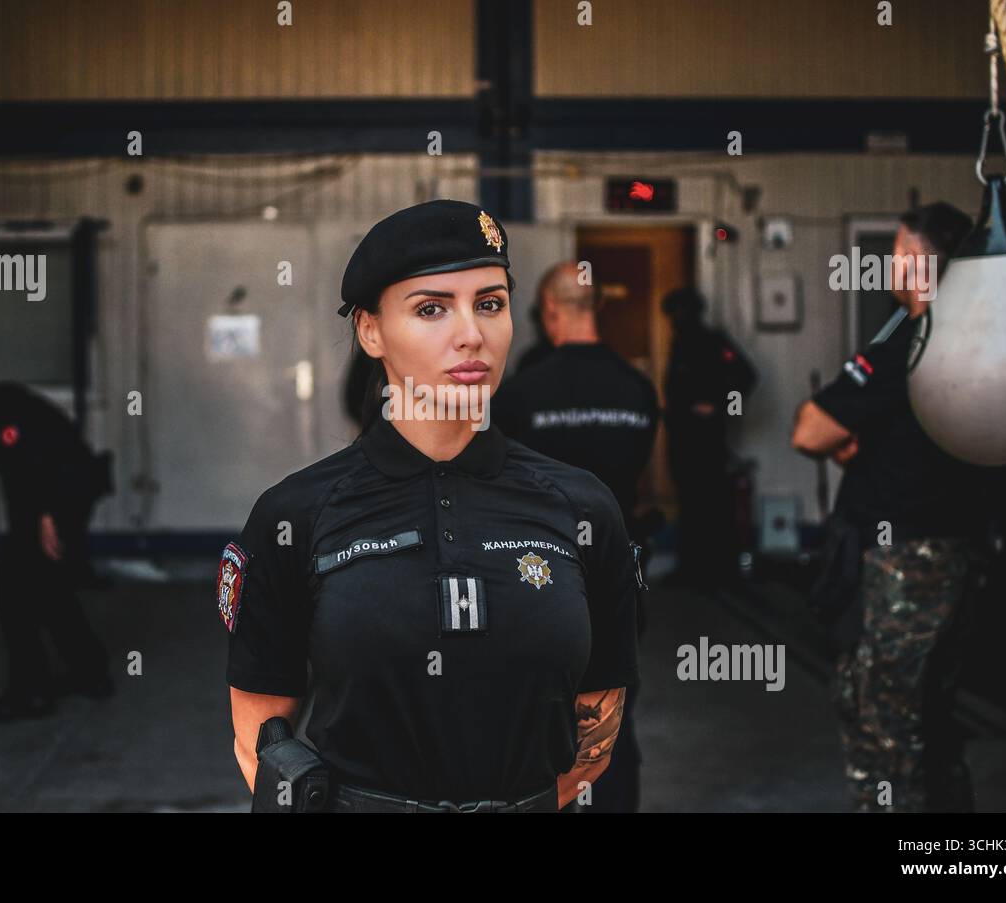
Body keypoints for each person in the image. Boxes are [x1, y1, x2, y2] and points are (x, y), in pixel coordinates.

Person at [225, 200, 643, 812]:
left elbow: (596, 733)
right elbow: (260, 742)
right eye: (431, 308)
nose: (471, 333)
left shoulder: (580, 508)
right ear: (371, 331)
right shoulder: (296, 517)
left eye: (490, 303)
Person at [792, 202, 983, 812]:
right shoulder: (981, 337)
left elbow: (811, 432)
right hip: (961, 549)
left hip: (904, 560)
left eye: (898, 253)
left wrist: (854, 437)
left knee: (884, 719)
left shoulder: (908, 340)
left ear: (913, 260)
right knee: (932, 714)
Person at [493, 259, 660, 812]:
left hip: (537, 579)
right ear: (598, 309)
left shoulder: (520, 394)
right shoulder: (638, 390)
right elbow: (636, 487)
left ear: (548, 312)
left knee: (534, 710)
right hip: (619, 575)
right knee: (611, 716)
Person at [0, 363, 114, 722]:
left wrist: (48, 518)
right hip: (55, 497)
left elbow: (36, 462)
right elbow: (18, 474)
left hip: (60, 496)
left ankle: (31, 692)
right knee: (49, 586)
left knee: (12, 586)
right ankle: (91, 672)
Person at [661, 287, 756, 587]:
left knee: (711, 498)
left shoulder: (713, 342)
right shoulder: (679, 343)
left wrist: (718, 406)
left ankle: (715, 570)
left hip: (705, 438)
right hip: (681, 435)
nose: (675, 321)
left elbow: (745, 375)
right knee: (689, 499)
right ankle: (692, 568)